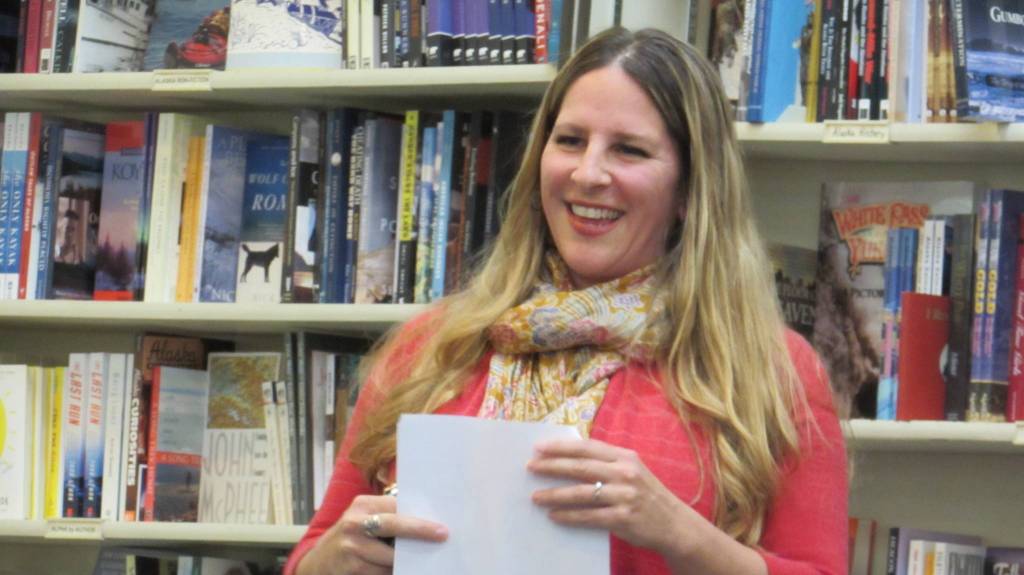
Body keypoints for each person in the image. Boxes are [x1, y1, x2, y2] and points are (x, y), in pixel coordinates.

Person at [287, 27, 847, 575]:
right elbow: (311, 558)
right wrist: (336, 557)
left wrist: (678, 532)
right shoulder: (432, 345)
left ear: (689, 190)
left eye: (629, 150)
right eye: (571, 140)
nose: (587, 173)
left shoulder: (770, 369)